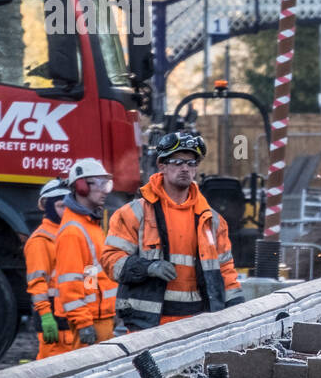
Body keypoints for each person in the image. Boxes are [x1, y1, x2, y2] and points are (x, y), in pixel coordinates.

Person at [102, 131, 244, 330]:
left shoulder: (212, 220)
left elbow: (225, 270)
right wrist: (147, 267)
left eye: (191, 163)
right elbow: (111, 261)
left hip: (198, 323)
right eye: (177, 162)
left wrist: (237, 307)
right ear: (162, 166)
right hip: (147, 326)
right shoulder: (133, 213)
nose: (185, 168)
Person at [53, 158, 119, 351]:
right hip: (90, 323)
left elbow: (89, 272)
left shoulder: (90, 225)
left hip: (100, 317)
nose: (105, 191)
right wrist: (83, 322)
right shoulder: (73, 231)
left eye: (107, 184)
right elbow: (69, 283)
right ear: (81, 186)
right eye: (100, 184)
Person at [25, 177, 72, 360]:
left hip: (75, 318)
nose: (66, 211)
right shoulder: (40, 240)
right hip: (53, 320)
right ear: (47, 206)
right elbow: (37, 284)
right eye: (61, 206)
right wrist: (45, 315)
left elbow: (87, 272)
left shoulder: (72, 234)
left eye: (68, 205)